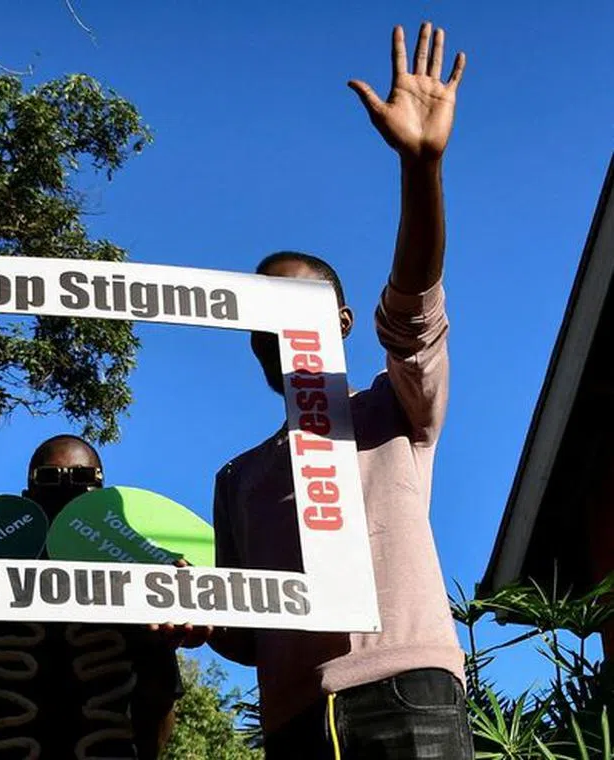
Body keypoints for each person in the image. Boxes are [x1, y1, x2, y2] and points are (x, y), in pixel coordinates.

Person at [207, 22, 473, 759]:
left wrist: (421, 169)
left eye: (297, 310)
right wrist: (190, 609)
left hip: (407, 699)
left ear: (344, 321)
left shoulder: (395, 407)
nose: (279, 333)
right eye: (262, 319)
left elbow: (416, 310)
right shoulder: (237, 479)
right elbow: (243, 632)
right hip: (292, 722)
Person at [0, 434, 183, 760]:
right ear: (28, 494)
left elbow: (161, 700)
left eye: (83, 477)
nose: (67, 488)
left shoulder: (131, 574)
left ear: (102, 493)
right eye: (50, 476)